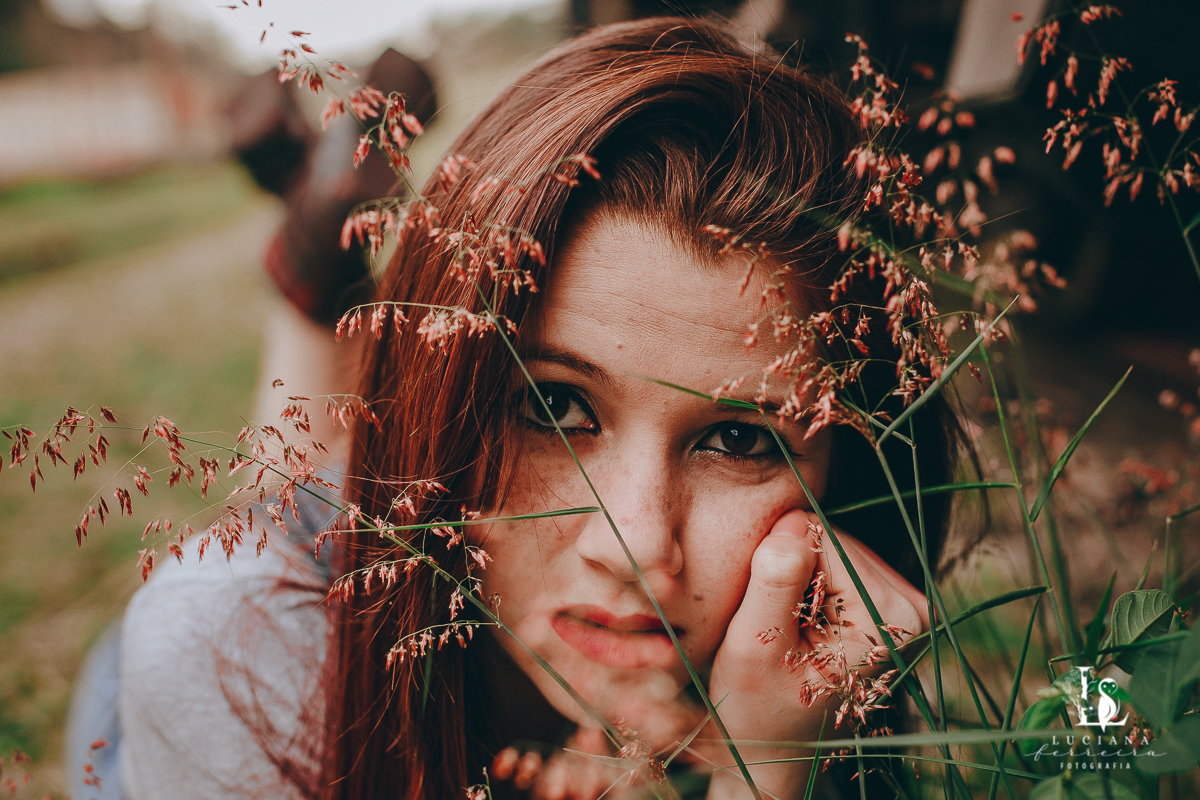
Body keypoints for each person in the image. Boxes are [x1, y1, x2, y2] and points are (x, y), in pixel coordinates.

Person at [104, 17, 962, 800]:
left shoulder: (812, 667)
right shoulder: (231, 661)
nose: (630, 548)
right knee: (314, 512)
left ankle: (321, 250)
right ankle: (319, 254)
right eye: (554, 408)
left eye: (740, 439)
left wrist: (776, 760)